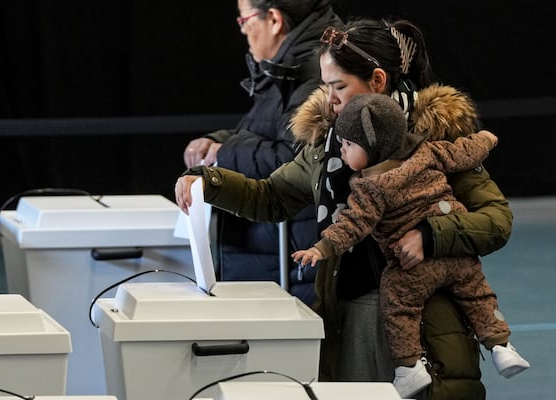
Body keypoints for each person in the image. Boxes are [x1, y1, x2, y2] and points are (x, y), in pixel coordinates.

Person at [175, 18, 513, 399]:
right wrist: (211, 182)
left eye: (339, 87)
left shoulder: (438, 139)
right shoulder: (330, 145)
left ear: (378, 81)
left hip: (426, 327)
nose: (330, 100)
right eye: (326, 87)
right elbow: (271, 197)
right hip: (349, 322)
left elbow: (496, 220)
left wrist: (430, 237)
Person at [291, 93, 529, 398]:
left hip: (414, 266)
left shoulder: (370, 190)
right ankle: (501, 346)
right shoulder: (427, 152)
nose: (341, 148)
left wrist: (321, 249)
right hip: (457, 255)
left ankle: (409, 368)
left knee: (399, 306)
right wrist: (486, 139)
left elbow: (350, 226)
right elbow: (464, 152)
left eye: (348, 144)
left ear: (373, 148)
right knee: (478, 295)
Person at [182, 0, 341, 305]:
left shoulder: (310, 71)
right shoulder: (293, 65)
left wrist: (222, 154)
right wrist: (217, 142)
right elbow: (266, 131)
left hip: (291, 266)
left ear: (274, 20)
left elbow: (292, 158)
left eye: (244, 22)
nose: (243, 32)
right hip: (280, 258)